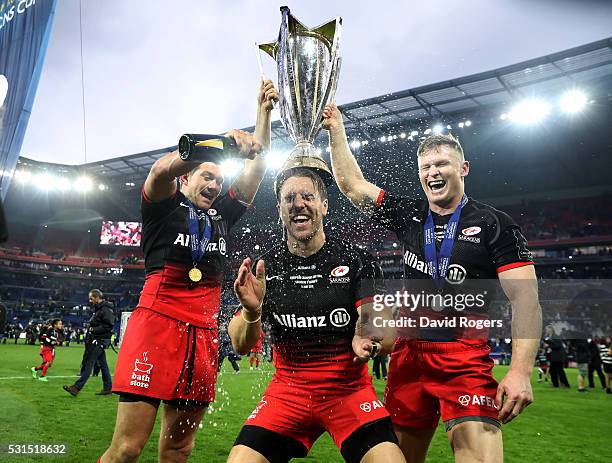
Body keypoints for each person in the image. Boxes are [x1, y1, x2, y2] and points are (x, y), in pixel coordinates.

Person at [323, 102, 542, 463]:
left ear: (463, 168)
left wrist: (520, 372)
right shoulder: (409, 215)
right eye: (426, 167)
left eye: (441, 164)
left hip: (464, 359)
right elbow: (351, 186)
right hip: (409, 358)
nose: (433, 172)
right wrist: (336, 130)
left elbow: (526, 301)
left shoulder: (494, 224)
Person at [99, 79, 277, 463]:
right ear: (187, 178)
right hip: (155, 328)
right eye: (205, 176)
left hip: (201, 337)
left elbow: (256, 166)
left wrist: (263, 113)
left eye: (218, 178)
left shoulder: (222, 215)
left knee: (179, 449)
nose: (213, 184)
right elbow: (160, 169)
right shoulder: (162, 206)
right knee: (127, 449)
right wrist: (221, 144)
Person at [227, 168, 405, 463]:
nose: (298, 204)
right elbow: (240, 345)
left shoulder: (356, 259)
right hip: (288, 393)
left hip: (348, 392)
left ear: (324, 205)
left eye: (307, 196)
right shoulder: (265, 267)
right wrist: (251, 310)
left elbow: (380, 331)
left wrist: (366, 335)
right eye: (289, 198)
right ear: (280, 210)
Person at [63, 289, 115, 396]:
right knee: (103, 364)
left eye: (91, 298)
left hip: (99, 340)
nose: (90, 300)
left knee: (89, 364)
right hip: (97, 339)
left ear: (97, 297)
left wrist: (93, 330)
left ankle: (76, 387)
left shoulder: (105, 309)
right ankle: (108, 388)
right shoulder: (100, 309)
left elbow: (109, 325)